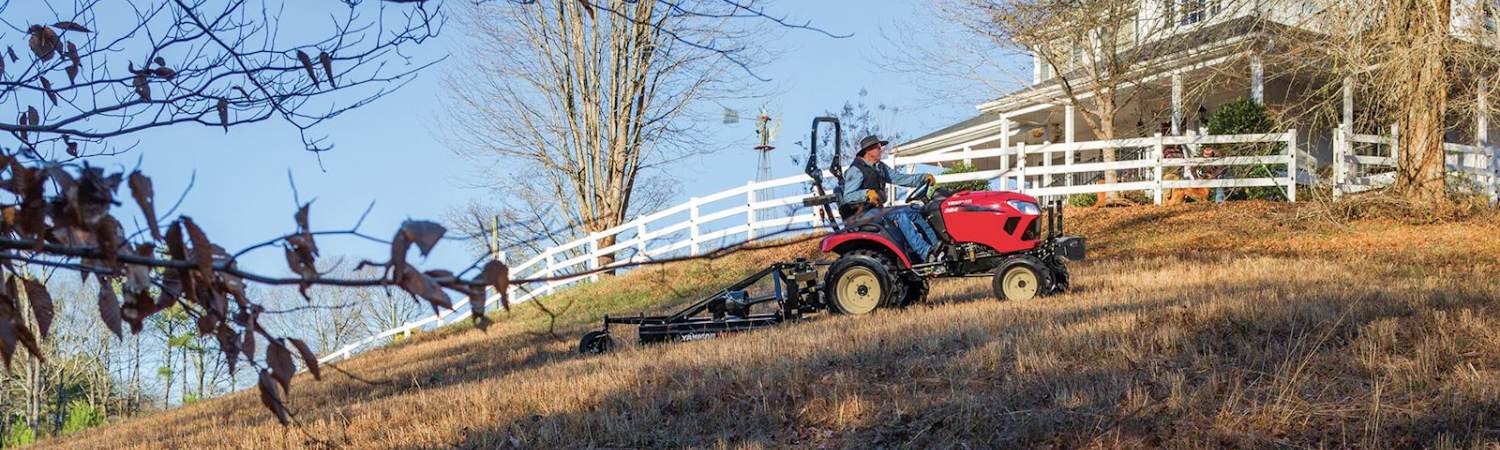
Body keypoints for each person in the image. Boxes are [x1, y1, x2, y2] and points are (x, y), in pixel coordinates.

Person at [840, 135, 940, 262]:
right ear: (869, 150)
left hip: (877, 211)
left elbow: (899, 178)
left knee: (915, 210)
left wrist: (922, 178)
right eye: (878, 148)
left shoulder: (880, 167)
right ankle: (925, 253)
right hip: (861, 215)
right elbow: (848, 196)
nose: (881, 150)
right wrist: (866, 194)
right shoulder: (856, 170)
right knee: (900, 215)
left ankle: (936, 247)